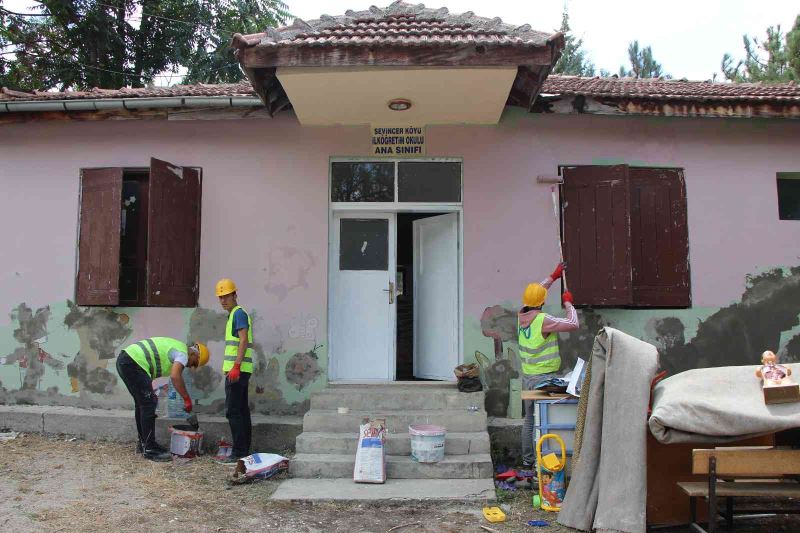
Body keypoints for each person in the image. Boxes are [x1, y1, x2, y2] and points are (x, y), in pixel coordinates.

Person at [519, 262, 579, 467]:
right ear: (542, 303)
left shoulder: (522, 315)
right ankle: (545, 461)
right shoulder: (543, 320)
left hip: (527, 377)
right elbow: (573, 324)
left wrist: (553, 277)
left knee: (529, 420)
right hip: (544, 379)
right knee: (545, 421)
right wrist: (569, 304)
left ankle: (528, 461)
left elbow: (537, 293)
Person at [116, 337, 209, 461]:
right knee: (148, 404)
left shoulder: (177, 347)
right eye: (194, 363)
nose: (191, 366)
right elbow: (175, 376)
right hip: (133, 363)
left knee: (142, 403)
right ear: (194, 354)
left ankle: (144, 444)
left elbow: (155, 363)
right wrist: (187, 399)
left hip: (127, 361)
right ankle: (149, 449)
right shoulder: (183, 354)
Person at [216, 278, 254, 463]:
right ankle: (244, 449)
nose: (223, 300)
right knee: (241, 410)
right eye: (220, 297)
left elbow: (243, 340)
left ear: (235, 295)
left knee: (233, 411)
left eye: (226, 296)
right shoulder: (234, 315)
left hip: (237, 371)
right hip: (239, 370)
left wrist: (236, 366)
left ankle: (239, 452)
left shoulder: (238, 314)